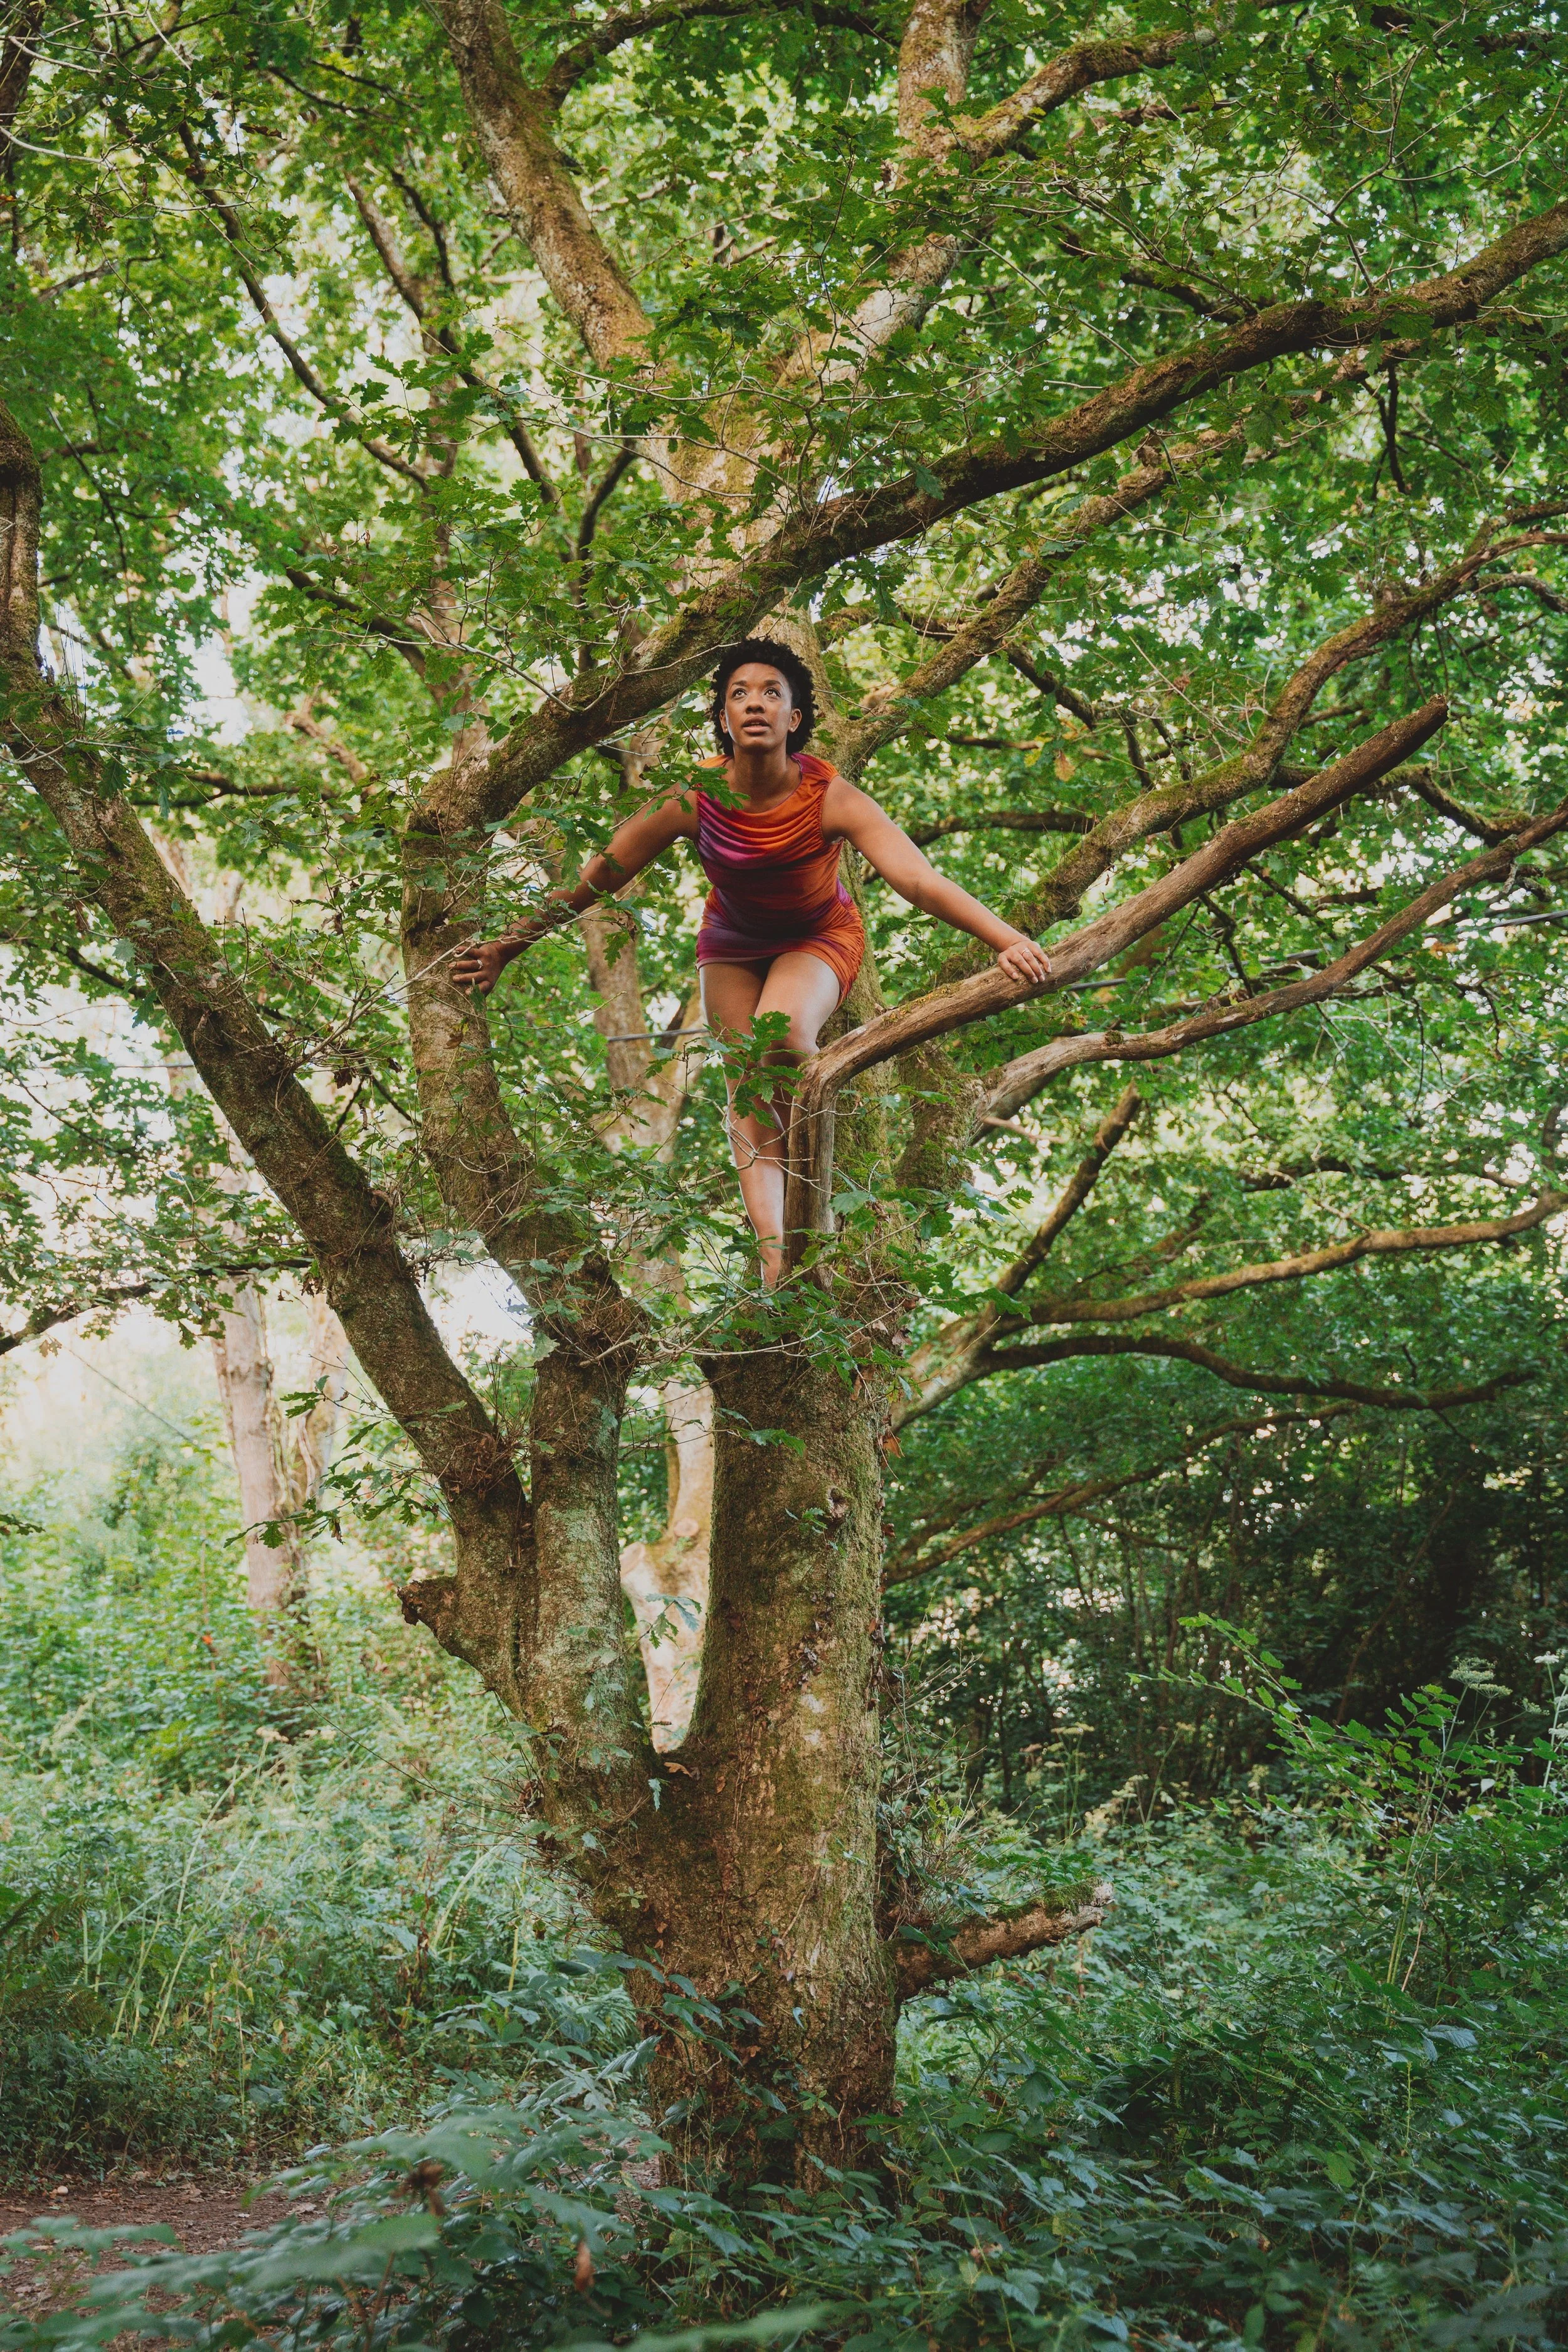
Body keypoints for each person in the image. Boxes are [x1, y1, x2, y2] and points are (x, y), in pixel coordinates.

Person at [452, 637, 1052, 1286]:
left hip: (818, 936)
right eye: (739, 694)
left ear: (794, 719)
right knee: (745, 1093)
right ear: (723, 719)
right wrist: (508, 945)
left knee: (784, 1034)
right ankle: (777, 1268)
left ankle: (820, 1179)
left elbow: (919, 882)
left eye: (772, 693)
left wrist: (1005, 938)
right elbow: (599, 876)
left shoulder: (830, 796)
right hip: (732, 943)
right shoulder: (694, 796)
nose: (755, 704)